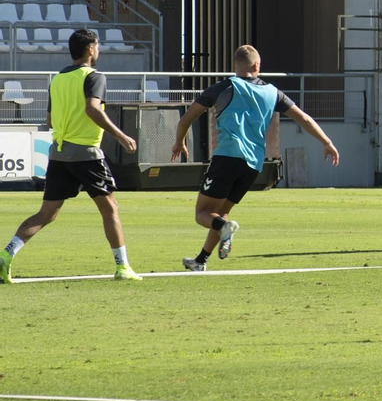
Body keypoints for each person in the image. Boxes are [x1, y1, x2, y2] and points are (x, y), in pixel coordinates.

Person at [171, 45, 340, 271]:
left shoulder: (223, 87)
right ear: (257, 66)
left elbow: (185, 120)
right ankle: (200, 261)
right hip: (253, 164)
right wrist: (327, 143)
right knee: (221, 213)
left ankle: (223, 230)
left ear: (234, 66)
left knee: (203, 214)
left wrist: (179, 141)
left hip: (227, 157)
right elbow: (304, 119)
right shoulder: (273, 92)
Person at [1, 29, 140, 283]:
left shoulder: (57, 79)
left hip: (59, 153)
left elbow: (50, 120)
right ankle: (123, 267)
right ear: (90, 49)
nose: (98, 51)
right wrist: (121, 136)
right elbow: (92, 109)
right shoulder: (94, 76)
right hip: (86, 152)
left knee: (46, 214)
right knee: (110, 210)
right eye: (97, 46)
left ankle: (7, 253)